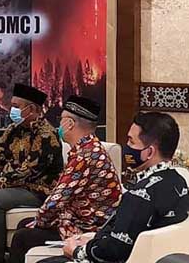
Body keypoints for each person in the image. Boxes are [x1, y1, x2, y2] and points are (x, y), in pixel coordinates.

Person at [40, 112, 189, 263]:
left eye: (131, 141)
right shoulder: (180, 182)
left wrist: (76, 251)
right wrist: (94, 239)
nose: (127, 147)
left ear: (149, 152)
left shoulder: (139, 195)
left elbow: (114, 250)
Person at [8, 96, 122, 263]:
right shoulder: (88, 148)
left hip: (88, 229)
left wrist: (40, 220)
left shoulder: (85, 156)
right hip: (77, 220)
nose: (59, 125)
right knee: (26, 225)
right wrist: (40, 220)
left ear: (69, 123)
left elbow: (57, 200)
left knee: (23, 236)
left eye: (61, 120)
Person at [0, 83, 63, 263]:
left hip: (37, 189)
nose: (12, 110)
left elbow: (29, 171)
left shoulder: (47, 134)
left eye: (16, 106)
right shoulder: (13, 130)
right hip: (8, 185)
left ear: (32, 109)